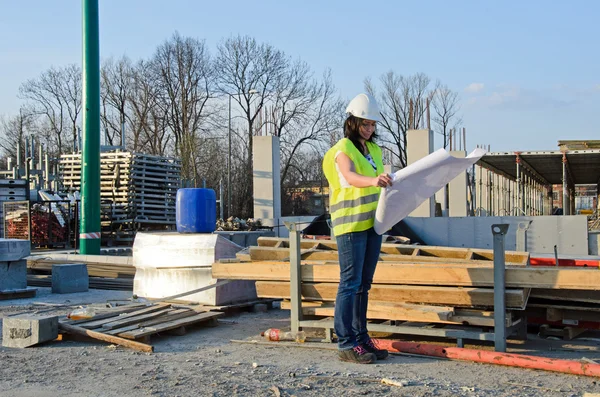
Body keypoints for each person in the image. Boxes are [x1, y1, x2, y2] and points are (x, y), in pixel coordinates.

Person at [322, 93, 392, 364]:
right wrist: (376, 180)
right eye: (364, 123)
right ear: (351, 122)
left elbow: (382, 180)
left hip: (373, 224)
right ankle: (346, 343)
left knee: (364, 284)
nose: (369, 128)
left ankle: (361, 339)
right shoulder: (342, 150)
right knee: (350, 283)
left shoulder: (374, 150)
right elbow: (350, 177)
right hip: (350, 224)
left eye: (372, 124)